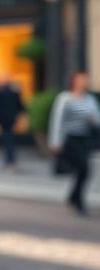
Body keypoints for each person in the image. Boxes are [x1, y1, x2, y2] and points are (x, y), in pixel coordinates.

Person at [48, 71, 100, 216]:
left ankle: (74, 197)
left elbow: (96, 118)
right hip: (70, 139)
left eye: (86, 79)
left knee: (83, 170)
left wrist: (92, 118)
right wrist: (55, 141)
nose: (84, 82)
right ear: (74, 81)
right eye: (81, 79)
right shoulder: (65, 98)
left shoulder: (89, 99)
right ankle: (77, 200)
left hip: (84, 139)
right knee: (83, 169)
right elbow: (57, 120)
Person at [0, 75, 25, 169]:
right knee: (9, 139)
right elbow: (20, 105)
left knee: (7, 139)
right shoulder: (12, 91)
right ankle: (10, 160)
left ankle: (10, 160)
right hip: (10, 118)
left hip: (5, 119)